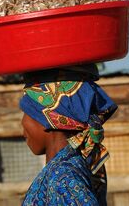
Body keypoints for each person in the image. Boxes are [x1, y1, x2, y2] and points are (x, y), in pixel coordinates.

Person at [19, 64, 117, 206]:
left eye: (26, 113)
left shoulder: (63, 179)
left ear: (48, 120)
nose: (22, 127)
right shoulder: (63, 170)